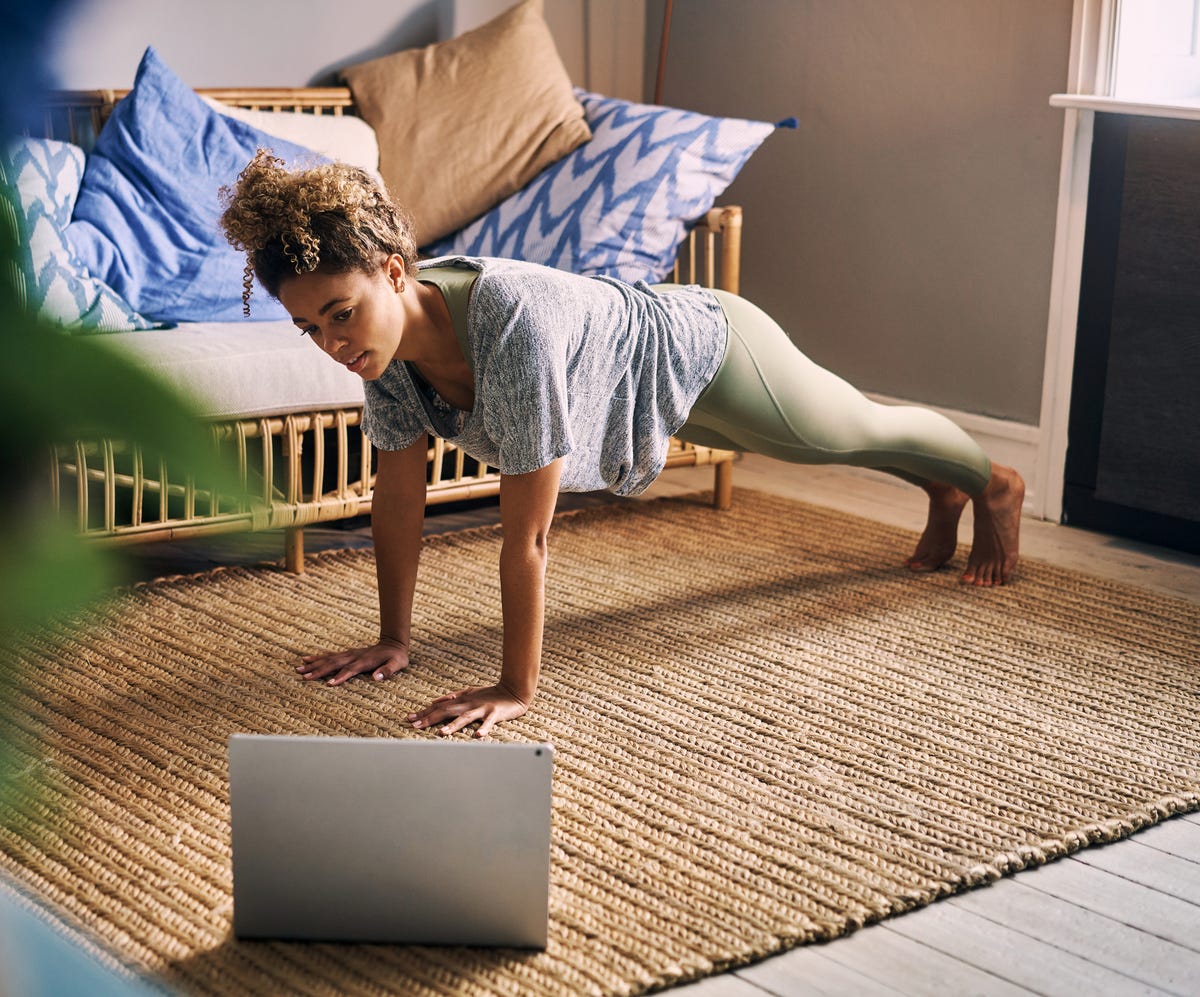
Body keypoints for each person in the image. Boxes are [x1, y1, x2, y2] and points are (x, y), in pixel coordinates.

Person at [219, 150, 1024, 739]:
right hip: (642, 394)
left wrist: (515, 686)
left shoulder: (509, 324)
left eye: (340, 312)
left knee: (847, 434)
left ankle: (990, 483)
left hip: (705, 352)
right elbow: (398, 498)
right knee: (831, 445)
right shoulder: (381, 353)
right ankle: (942, 489)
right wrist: (395, 637)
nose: (330, 342)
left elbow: (527, 534)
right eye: (308, 327)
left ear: (393, 272)